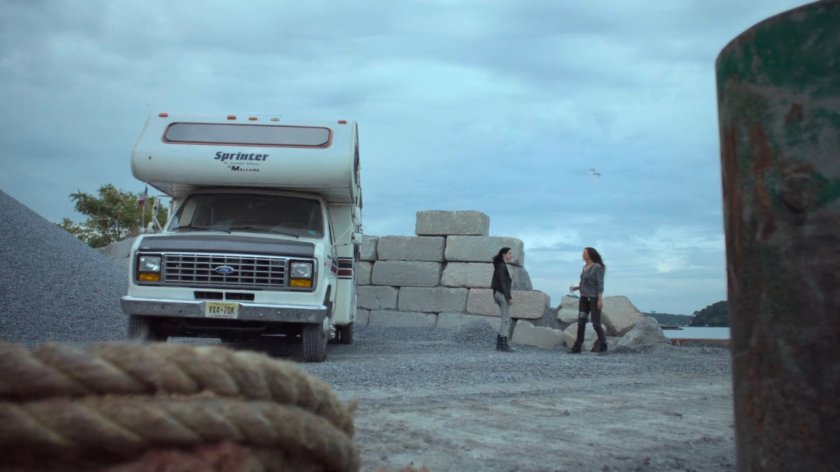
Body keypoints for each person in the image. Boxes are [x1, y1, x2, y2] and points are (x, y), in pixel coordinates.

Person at [568, 247, 607, 354]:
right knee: (581, 323)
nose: (583, 255)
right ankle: (577, 346)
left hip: (594, 299)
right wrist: (576, 288)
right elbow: (583, 284)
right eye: (583, 253)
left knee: (596, 324)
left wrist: (600, 299)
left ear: (590, 254)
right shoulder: (584, 267)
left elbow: (600, 284)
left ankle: (603, 345)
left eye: (585, 253)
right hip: (584, 299)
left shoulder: (597, 267)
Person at [491, 247, 516, 352]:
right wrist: (508, 297)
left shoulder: (500, 265)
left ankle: (500, 344)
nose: (511, 255)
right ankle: (504, 345)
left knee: (505, 319)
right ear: (504, 255)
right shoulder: (501, 266)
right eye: (509, 253)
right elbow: (503, 283)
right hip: (502, 294)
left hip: (498, 293)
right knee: (506, 320)